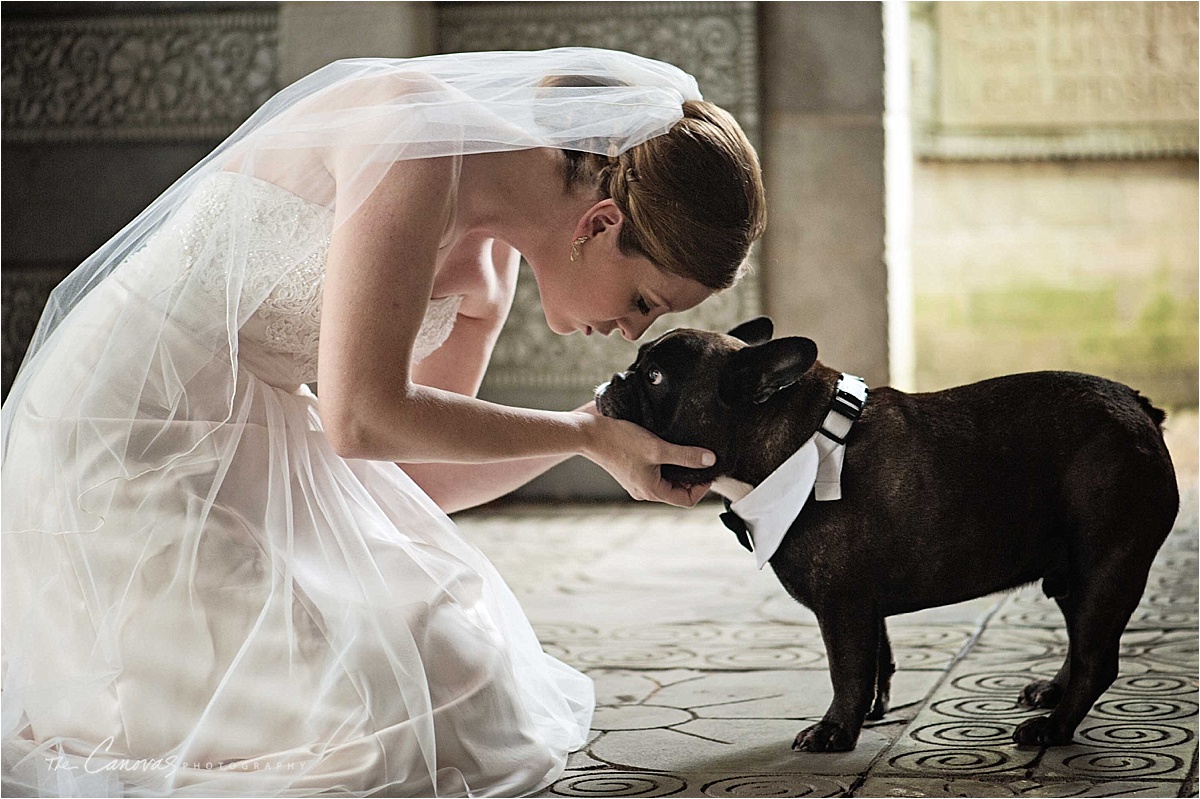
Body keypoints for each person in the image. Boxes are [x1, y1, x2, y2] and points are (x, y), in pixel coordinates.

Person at [0, 48, 765, 797]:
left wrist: (596, 433)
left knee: (468, 681)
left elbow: (413, 479)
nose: (632, 333)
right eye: (644, 302)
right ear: (599, 224)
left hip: (249, 441)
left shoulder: (487, 279)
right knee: (376, 727)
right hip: (119, 438)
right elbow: (362, 419)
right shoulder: (410, 141)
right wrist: (581, 436)